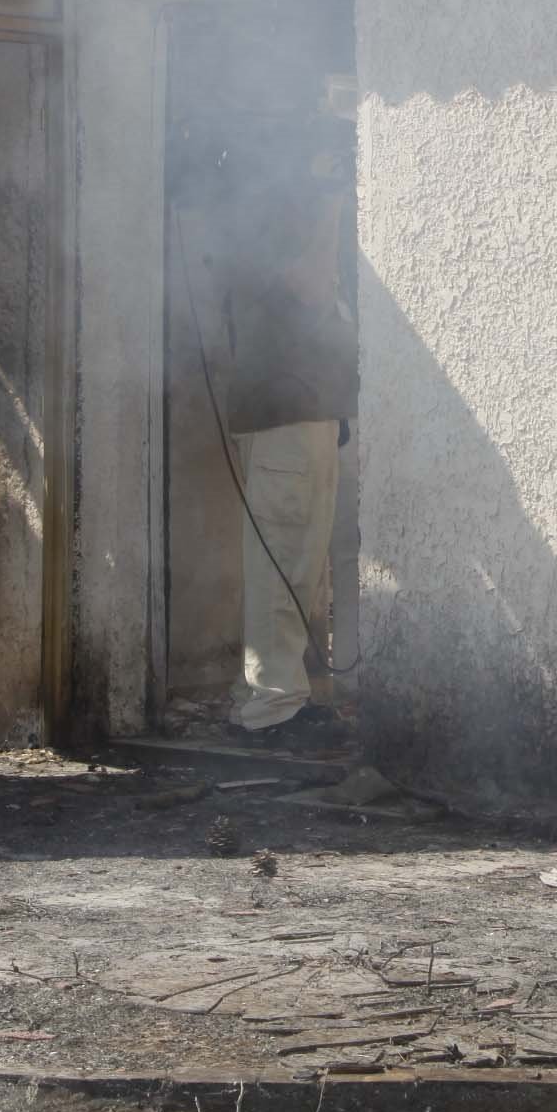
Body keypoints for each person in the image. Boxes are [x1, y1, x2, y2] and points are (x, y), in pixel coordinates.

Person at [197, 147, 356, 744]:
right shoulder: (274, 223)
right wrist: (332, 204)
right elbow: (312, 288)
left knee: (300, 562)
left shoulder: (279, 217)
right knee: (283, 562)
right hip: (286, 420)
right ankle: (269, 709)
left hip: (305, 416)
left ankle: (279, 697)